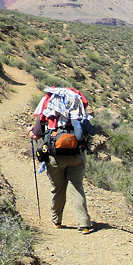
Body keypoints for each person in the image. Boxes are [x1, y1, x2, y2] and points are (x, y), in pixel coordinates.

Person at [28, 87, 92, 233]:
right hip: (76, 155)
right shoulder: (78, 108)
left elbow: (37, 133)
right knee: (77, 187)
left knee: (58, 188)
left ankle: (57, 221)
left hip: (55, 157)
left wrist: (31, 132)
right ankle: (84, 224)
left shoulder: (48, 107)